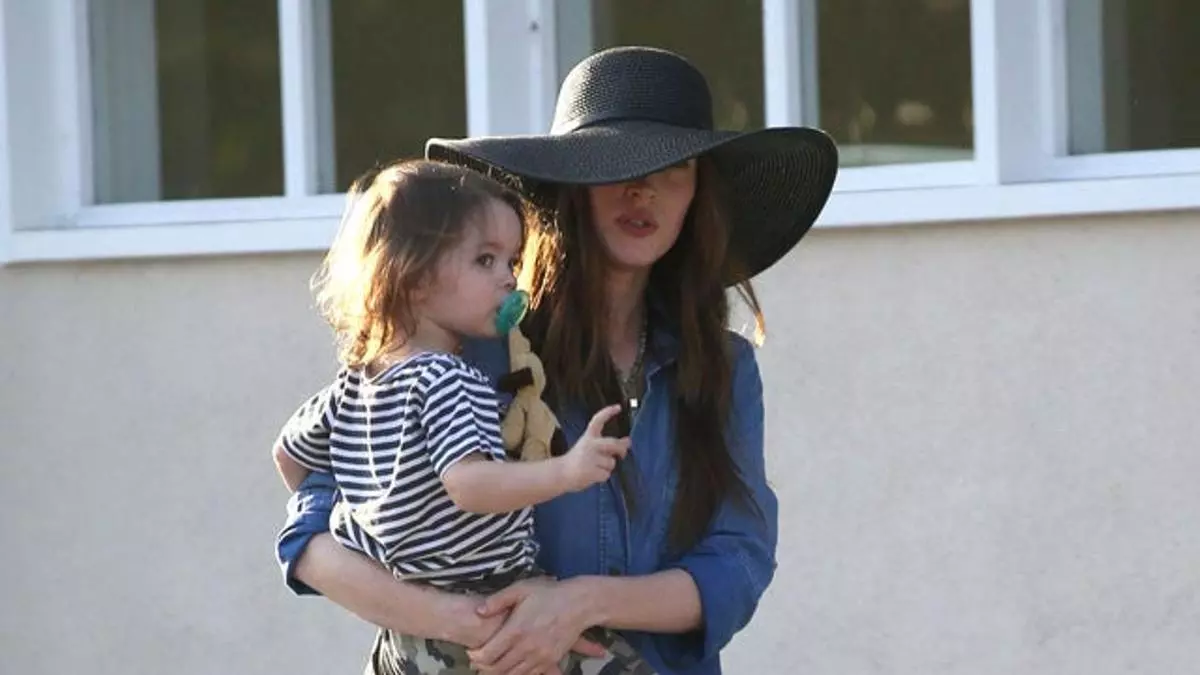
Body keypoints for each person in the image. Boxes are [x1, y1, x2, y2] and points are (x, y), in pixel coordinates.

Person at [274, 46, 839, 675]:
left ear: (697, 195)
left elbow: (738, 562)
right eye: (617, 164)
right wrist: (461, 621)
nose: (643, 189)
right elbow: (310, 536)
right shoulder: (465, 345)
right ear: (572, 186)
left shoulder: (725, 366)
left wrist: (575, 605)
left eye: (673, 167)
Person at [271, 158, 647, 673]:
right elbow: (469, 485)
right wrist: (566, 471)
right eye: (485, 260)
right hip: (490, 599)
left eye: (512, 261)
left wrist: (365, 514)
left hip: (410, 626)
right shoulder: (449, 378)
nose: (509, 279)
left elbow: (288, 456)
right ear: (414, 276)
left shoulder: (351, 385)